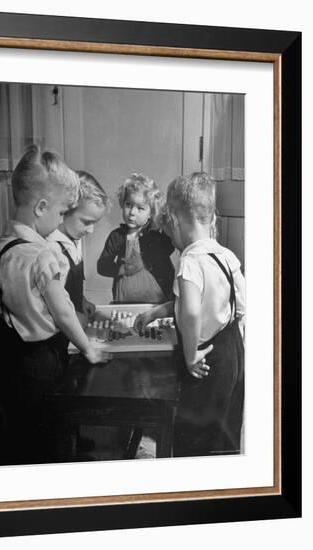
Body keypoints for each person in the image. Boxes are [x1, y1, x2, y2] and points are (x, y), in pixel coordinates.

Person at [0, 145, 110, 465]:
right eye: (61, 213)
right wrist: (88, 348)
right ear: (41, 207)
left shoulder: (5, 244)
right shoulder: (44, 255)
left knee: (25, 432)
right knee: (50, 434)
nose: (61, 221)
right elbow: (62, 311)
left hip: (12, 358)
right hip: (42, 360)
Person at [135, 172, 245, 457]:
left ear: (173, 221)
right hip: (231, 350)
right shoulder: (226, 255)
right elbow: (237, 305)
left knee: (194, 434)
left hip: (204, 356)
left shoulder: (190, 262)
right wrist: (157, 312)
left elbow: (193, 311)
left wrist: (190, 354)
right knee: (224, 426)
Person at [97, 173, 174, 304]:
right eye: (128, 204)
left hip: (156, 301)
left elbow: (171, 245)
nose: (132, 212)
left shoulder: (157, 236)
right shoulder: (116, 236)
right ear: (122, 203)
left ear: (151, 213)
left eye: (140, 208)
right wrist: (120, 269)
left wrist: (162, 222)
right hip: (124, 300)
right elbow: (102, 266)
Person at [47, 170, 108, 324]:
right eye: (87, 222)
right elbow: (50, 305)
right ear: (66, 211)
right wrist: (74, 319)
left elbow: (67, 289)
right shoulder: (52, 248)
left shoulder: (73, 240)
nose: (91, 230)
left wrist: (81, 300)